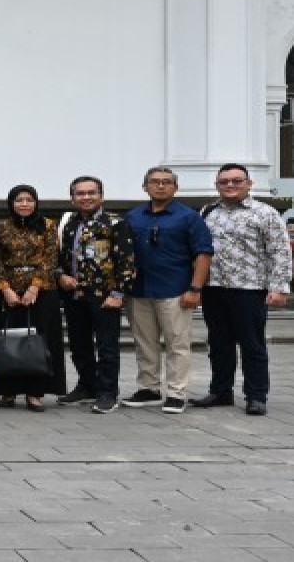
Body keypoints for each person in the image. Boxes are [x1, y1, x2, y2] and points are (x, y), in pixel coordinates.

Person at [191, 163, 293, 416]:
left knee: (252, 345)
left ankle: (256, 395)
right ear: (217, 185)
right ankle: (220, 391)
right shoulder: (208, 211)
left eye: (237, 181)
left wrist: (280, 287)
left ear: (249, 184)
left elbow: (280, 251)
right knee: (218, 344)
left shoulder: (265, 213)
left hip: (250, 288)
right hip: (214, 288)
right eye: (224, 181)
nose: (230, 185)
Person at [123, 167, 213, 414]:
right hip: (139, 290)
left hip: (175, 289)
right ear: (145, 187)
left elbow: (203, 254)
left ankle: (176, 392)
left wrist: (195, 288)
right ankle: (148, 388)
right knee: (144, 343)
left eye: (166, 182)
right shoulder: (133, 217)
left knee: (177, 343)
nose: (160, 186)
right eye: (154, 182)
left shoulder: (189, 217)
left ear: (176, 187)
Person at [56, 175, 137, 414]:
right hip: (74, 294)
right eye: (80, 193)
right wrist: (61, 276)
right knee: (79, 344)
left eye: (91, 193)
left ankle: (107, 392)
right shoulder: (69, 223)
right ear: (72, 198)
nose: (86, 197)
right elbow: (59, 256)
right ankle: (87, 385)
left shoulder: (115, 223)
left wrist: (118, 293)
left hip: (104, 295)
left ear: (101, 196)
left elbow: (127, 260)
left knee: (107, 346)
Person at [0, 184, 67, 412]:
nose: (24, 204)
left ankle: (36, 393)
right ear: (11, 204)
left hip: (42, 292)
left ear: (36, 203)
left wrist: (34, 287)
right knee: (7, 340)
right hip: (8, 293)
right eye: (19, 200)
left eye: (29, 200)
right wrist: (5, 289)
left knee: (39, 342)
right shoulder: (1, 228)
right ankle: (8, 391)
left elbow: (51, 259)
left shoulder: (48, 226)